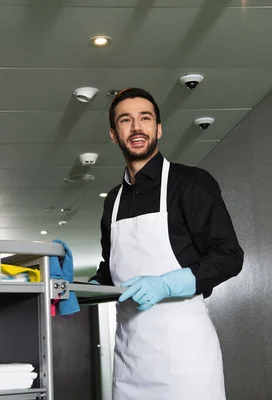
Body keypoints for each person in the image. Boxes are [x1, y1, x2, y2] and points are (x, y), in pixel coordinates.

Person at [89, 88, 244, 399]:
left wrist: (168, 284)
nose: (136, 128)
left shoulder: (190, 183)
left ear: (158, 128)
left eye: (145, 118)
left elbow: (229, 255)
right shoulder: (113, 201)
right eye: (125, 120)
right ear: (113, 134)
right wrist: (78, 289)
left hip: (186, 360)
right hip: (130, 359)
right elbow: (112, 271)